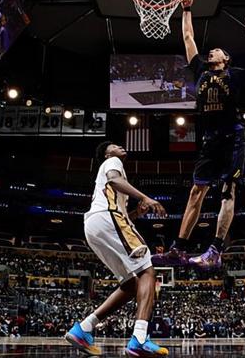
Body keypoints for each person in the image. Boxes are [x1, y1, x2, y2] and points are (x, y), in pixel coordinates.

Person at [153, 0, 245, 268]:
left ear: (226, 58)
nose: (212, 52)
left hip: (232, 137)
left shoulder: (235, 74)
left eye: (217, 50)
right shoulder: (200, 70)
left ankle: (215, 251)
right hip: (209, 139)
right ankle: (178, 249)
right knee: (196, 192)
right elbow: (188, 37)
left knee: (227, 190)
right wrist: (186, 7)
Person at [65, 141, 169, 356]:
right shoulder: (112, 162)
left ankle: (83, 328)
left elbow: (120, 216)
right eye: (113, 146)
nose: (120, 147)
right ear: (106, 154)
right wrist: (145, 197)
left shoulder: (110, 180)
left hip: (94, 226)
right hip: (107, 218)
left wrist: (137, 213)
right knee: (147, 271)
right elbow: (114, 181)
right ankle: (140, 338)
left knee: (130, 284)